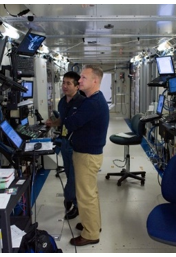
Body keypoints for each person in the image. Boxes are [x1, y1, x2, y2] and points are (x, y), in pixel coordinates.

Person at [64, 65, 110, 246]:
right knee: (90, 193)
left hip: (87, 156)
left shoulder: (92, 103)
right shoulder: (92, 100)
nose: (79, 80)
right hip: (89, 153)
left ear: (95, 81)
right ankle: (92, 224)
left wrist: (71, 113)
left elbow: (71, 122)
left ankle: (90, 234)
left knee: (85, 195)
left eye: (83, 78)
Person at [45, 71, 85, 220]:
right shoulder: (62, 102)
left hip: (77, 144)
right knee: (69, 174)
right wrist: (52, 123)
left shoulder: (82, 102)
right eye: (64, 83)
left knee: (74, 177)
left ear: (76, 86)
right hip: (65, 143)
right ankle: (71, 198)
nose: (65, 86)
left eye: (69, 83)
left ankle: (74, 202)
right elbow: (62, 121)